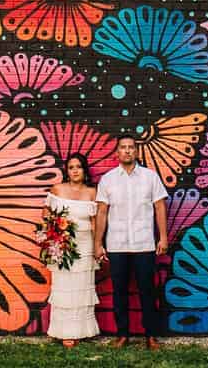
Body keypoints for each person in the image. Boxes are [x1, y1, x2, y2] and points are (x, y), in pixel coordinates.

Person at [94, 135, 168, 349]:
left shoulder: (150, 177)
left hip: (144, 243)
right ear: (117, 152)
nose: (127, 151)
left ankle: (151, 336)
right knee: (119, 293)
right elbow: (102, 212)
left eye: (131, 147)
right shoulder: (108, 179)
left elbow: (160, 207)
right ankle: (123, 335)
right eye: (123, 147)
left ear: (136, 151)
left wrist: (163, 237)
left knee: (147, 292)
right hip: (116, 244)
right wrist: (98, 243)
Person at [43, 154, 99, 346]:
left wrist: (98, 246)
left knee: (82, 285)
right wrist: (54, 235)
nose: (75, 171)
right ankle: (64, 331)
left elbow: (95, 223)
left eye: (79, 167)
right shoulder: (57, 189)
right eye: (71, 167)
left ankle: (82, 330)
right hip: (63, 246)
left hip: (85, 246)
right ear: (67, 171)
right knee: (64, 286)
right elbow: (46, 214)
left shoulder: (92, 192)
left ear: (84, 170)